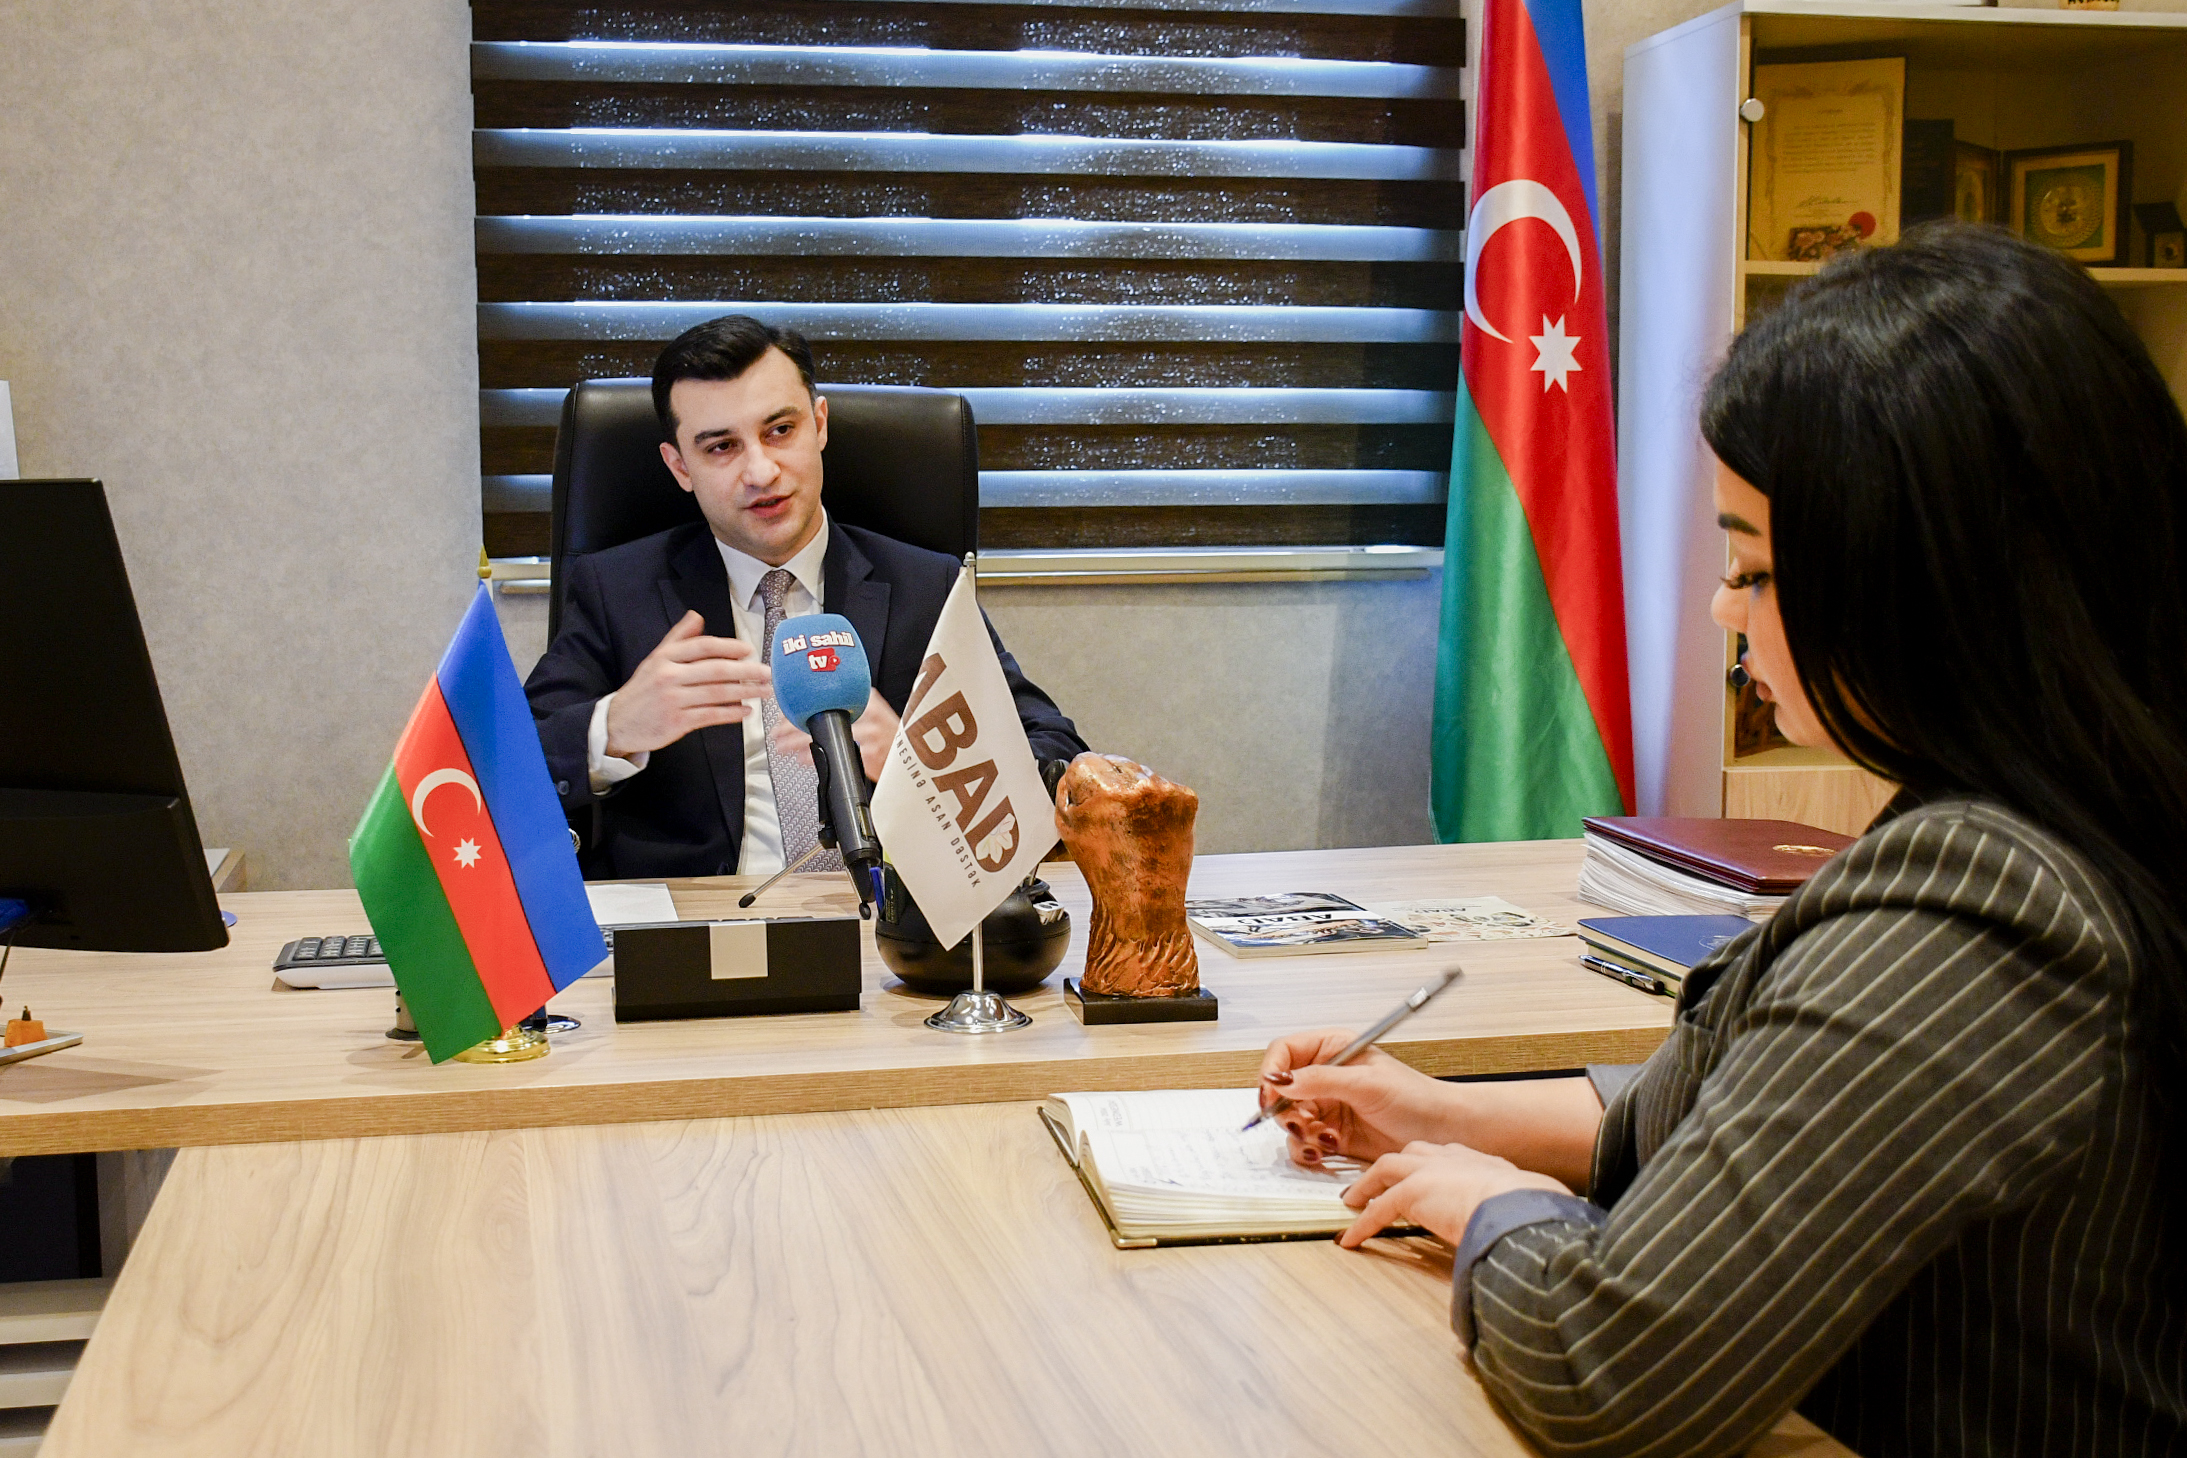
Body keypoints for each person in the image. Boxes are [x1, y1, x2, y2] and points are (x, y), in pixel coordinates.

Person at [1260, 226, 2187, 1457]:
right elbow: (1747, 1130)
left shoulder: (1982, 901)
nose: (1720, 608)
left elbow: (1608, 1370)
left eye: (1750, 567)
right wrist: (1441, 1114)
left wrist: (1496, 1212)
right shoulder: (2054, 809)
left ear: (1916, 579)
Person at [527, 315, 1087, 880]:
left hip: (884, 915)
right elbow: (502, 765)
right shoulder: (617, 591)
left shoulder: (926, 588)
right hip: (700, 917)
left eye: (780, 430)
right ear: (680, 467)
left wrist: (920, 763)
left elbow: (1061, 760)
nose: (760, 471)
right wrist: (613, 727)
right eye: (722, 446)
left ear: (819, 425)